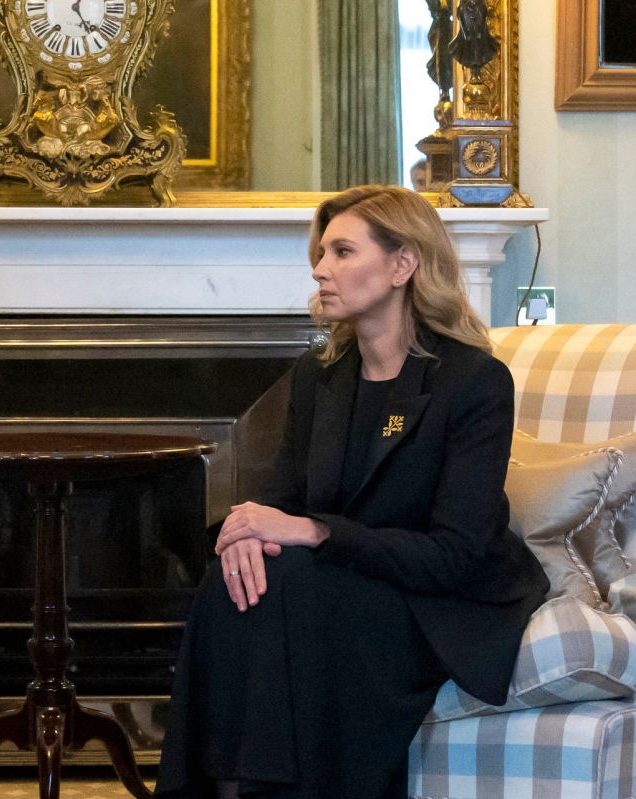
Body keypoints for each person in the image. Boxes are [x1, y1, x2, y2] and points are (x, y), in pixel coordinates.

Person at [155, 185, 549, 799]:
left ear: (402, 264)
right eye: (321, 253)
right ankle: (225, 788)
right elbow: (282, 499)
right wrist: (244, 533)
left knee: (288, 583)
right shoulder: (321, 376)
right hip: (342, 580)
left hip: (440, 599)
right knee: (236, 577)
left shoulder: (474, 382)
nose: (319, 270)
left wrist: (314, 532)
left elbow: (454, 555)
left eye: (341, 252)